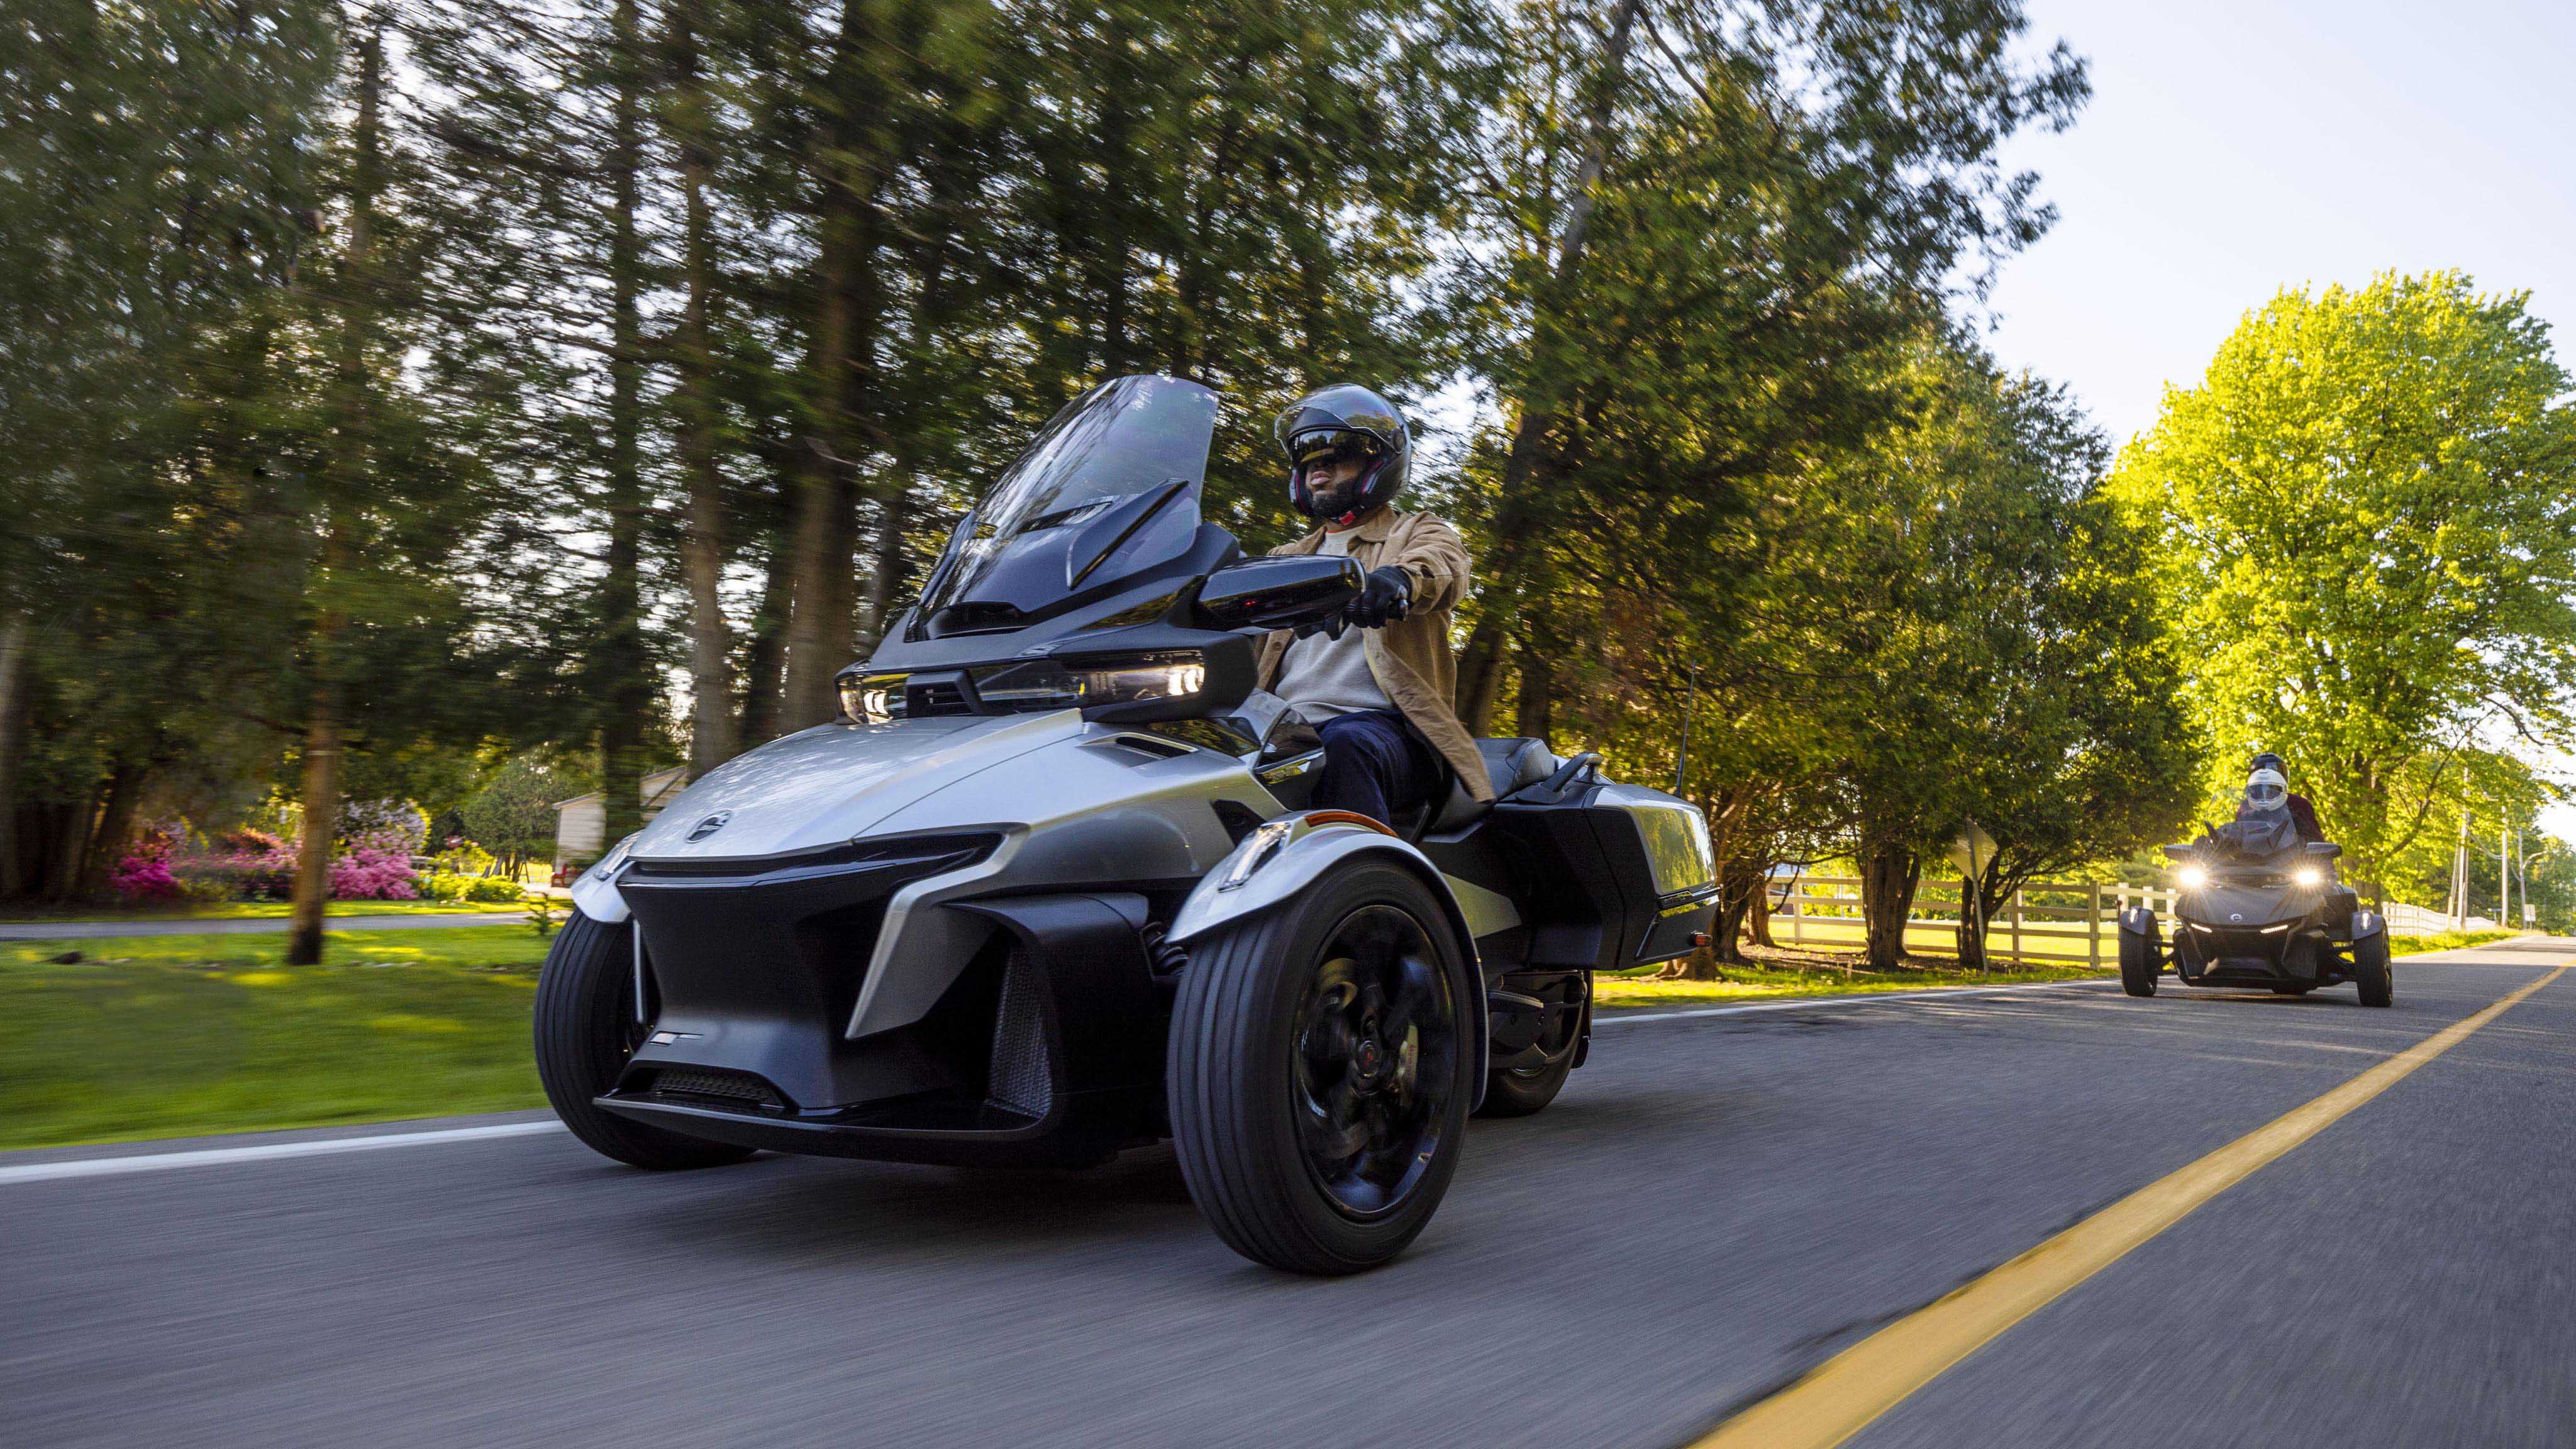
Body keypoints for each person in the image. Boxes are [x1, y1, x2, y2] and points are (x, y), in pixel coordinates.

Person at [1253, 385, 1494, 826]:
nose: (1317, 472)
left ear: (1376, 464)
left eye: (1332, 459)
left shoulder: (1417, 532)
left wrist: (1397, 580)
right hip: (1280, 732)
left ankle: (1367, 886)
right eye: (1307, 463)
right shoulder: (1283, 559)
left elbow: (1445, 566)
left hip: (1390, 733)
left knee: (1345, 747)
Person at [2236, 751, 2325, 842]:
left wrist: (2313, 849)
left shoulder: (2299, 803)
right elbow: (2236, 837)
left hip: (2292, 854)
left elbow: (2315, 838)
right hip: (2254, 854)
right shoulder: (2246, 806)